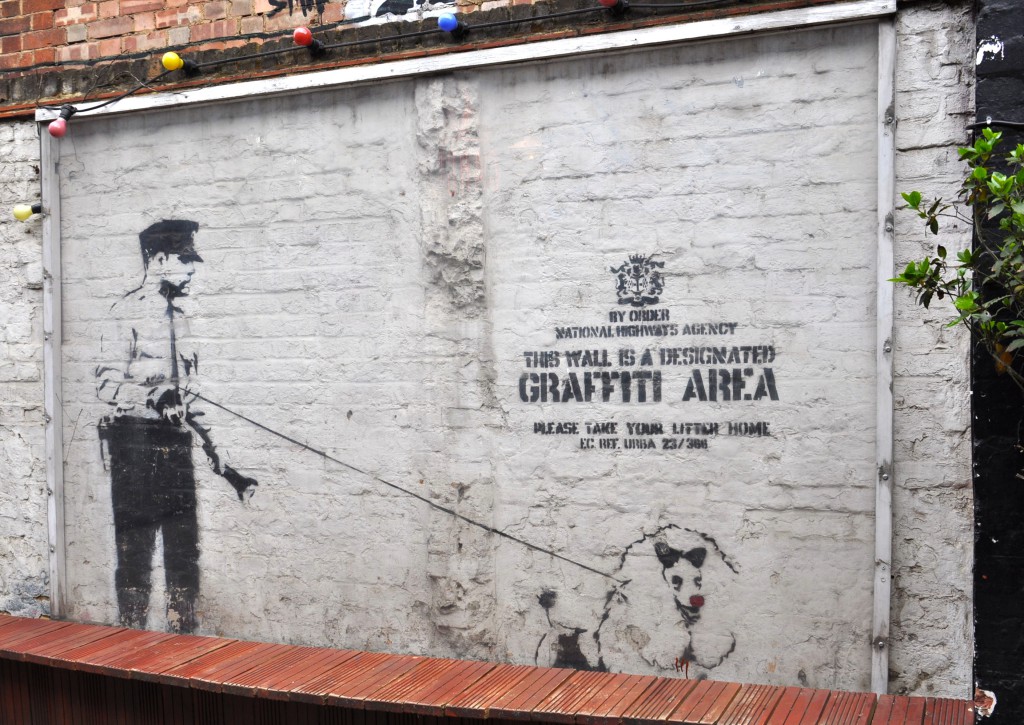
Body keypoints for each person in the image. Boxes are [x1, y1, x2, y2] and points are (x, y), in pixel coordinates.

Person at [95, 219, 257, 634]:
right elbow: (106, 383)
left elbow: (196, 401)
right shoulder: (123, 313)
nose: (192, 270)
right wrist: (153, 396)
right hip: (133, 446)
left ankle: (182, 640)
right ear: (160, 259)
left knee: (184, 554)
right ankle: (129, 637)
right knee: (135, 552)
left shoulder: (182, 321)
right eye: (186, 260)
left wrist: (221, 457)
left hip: (178, 452)